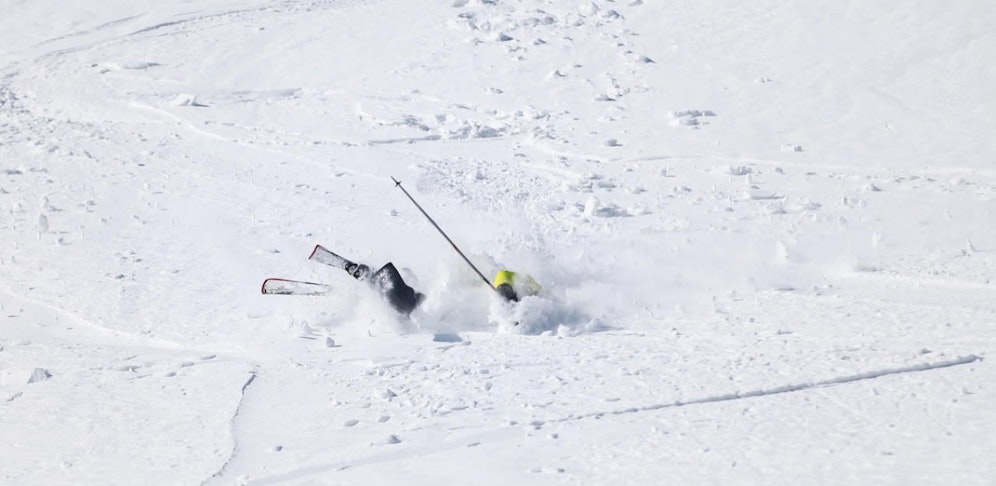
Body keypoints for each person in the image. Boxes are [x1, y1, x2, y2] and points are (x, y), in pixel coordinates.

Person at [309, 245, 539, 315]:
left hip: (453, 320)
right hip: (440, 309)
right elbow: (505, 276)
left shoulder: (542, 302)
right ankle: (365, 277)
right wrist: (505, 289)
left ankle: (366, 285)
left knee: (403, 305)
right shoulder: (503, 279)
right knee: (404, 303)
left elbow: (546, 298)